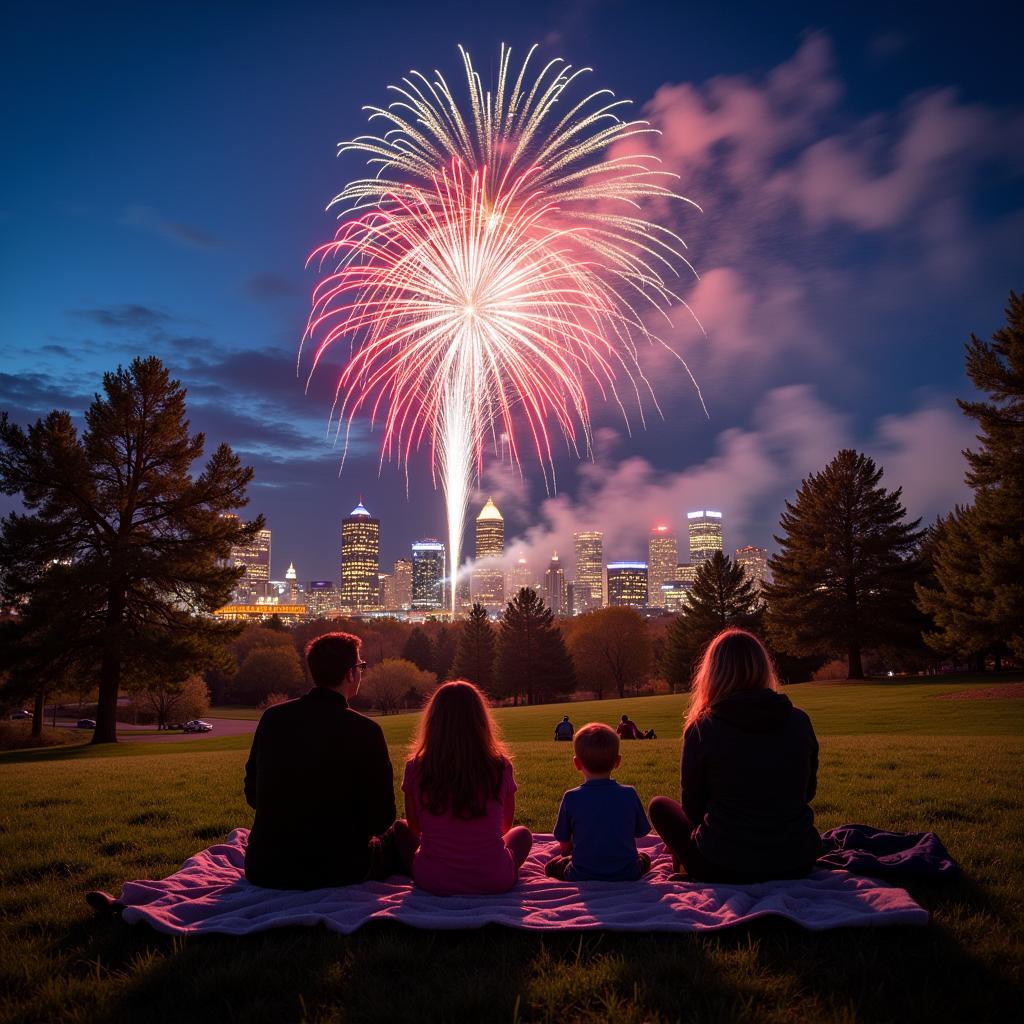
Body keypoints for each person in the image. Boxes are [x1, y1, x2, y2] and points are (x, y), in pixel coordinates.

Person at [648, 628, 821, 882]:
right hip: (796, 860)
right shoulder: (799, 721)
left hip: (722, 866)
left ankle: (686, 861)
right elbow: (808, 792)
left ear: (712, 673)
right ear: (764, 667)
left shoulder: (703, 728)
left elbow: (693, 808)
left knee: (659, 807)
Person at [242, 631, 400, 889]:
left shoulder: (273, 719)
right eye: (360, 666)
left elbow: (253, 795)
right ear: (350, 673)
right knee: (402, 836)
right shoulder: (366, 731)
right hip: (341, 869)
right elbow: (382, 818)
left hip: (267, 867)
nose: (361, 672)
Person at [397, 680, 532, 895]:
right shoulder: (500, 766)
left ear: (433, 722)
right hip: (494, 878)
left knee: (400, 829)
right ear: (481, 721)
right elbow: (505, 827)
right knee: (522, 834)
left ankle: (434, 864)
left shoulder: (416, 767)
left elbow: (415, 828)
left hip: (433, 880)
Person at [545, 722, 652, 881]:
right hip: (628, 872)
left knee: (551, 867)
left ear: (577, 764)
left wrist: (569, 855)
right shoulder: (629, 794)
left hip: (581, 874)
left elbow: (565, 843)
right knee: (644, 858)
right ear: (617, 761)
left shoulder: (571, 798)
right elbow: (641, 832)